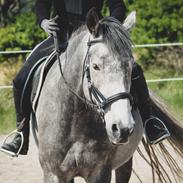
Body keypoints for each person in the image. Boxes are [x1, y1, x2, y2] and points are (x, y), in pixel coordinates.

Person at [0, 0, 170, 157]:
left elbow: (117, 5)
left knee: (134, 69)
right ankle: (21, 133)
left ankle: (150, 122)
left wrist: (108, 26)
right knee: (21, 78)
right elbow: (42, 3)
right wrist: (43, 21)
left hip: (96, 34)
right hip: (62, 34)